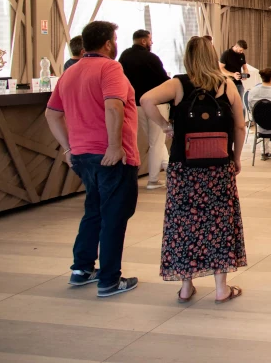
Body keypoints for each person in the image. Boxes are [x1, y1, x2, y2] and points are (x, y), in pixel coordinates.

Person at [140, 36, 246, 304]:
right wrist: (236, 157)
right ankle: (221, 289)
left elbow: (146, 99)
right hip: (218, 166)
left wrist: (165, 126)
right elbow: (240, 126)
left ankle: (186, 287)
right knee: (219, 223)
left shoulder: (178, 84)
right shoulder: (227, 85)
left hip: (184, 167)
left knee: (184, 224)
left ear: (188, 58)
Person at [44, 21, 139, 297]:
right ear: (108, 43)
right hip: (109, 156)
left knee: (94, 211)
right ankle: (109, 280)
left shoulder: (70, 72)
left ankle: (82, 269)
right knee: (114, 217)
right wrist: (114, 146)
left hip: (83, 155)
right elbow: (113, 106)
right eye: (115, 39)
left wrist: (68, 148)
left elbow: (52, 114)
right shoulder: (110, 68)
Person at [118, 29, 170, 190]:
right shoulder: (151, 58)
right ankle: (153, 180)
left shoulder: (124, 56)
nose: (151, 42)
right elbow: (164, 80)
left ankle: (171, 172)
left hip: (135, 104)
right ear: (143, 41)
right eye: (150, 39)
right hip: (156, 104)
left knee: (155, 141)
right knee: (157, 141)